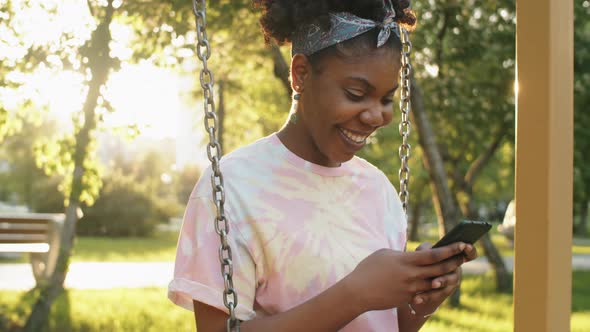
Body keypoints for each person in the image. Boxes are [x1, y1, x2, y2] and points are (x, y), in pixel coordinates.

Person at [168, 1, 478, 331]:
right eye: (356, 93)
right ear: (300, 74)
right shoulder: (234, 187)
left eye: (387, 99)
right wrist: (355, 294)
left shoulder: (377, 189)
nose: (377, 115)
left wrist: (422, 302)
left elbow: (387, 324)